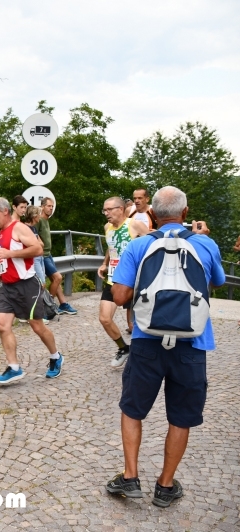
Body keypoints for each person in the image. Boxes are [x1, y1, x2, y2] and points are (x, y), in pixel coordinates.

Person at [106, 186, 223, 508]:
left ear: (153, 215)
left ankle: (130, 478)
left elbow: (119, 297)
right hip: (193, 343)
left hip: (146, 342)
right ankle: (166, 485)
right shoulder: (206, 244)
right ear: (185, 214)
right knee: (181, 416)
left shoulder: (139, 245)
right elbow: (216, 282)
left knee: (133, 410)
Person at [0, 197, 64, 384]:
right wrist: (1, 269)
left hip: (27, 285)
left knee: (37, 326)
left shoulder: (19, 227)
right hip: (8, 287)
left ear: (5, 211)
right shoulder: (1, 233)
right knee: (2, 326)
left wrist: (9, 254)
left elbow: (38, 249)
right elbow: (6, 256)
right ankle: (14, 368)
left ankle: (55, 357)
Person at [96, 196, 150, 368]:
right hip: (113, 279)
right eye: (104, 210)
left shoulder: (134, 224)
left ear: (120, 209)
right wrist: (105, 263)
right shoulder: (107, 228)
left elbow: (153, 243)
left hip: (133, 282)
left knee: (139, 323)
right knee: (104, 319)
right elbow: (111, 247)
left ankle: (146, 355)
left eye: (109, 209)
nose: (106, 213)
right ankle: (123, 348)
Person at [37, 197, 78, 315]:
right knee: (58, 278)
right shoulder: (39, 220)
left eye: (52, 206)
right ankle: (48, 306)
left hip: (48, 254)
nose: (51, 208)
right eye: (49, 206)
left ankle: (63, 304)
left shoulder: (46, 220)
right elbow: (33, 234)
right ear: (42, 206)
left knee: (55, 280)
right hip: (42, 255)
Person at [24, 205, 45, 285]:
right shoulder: (26, 228)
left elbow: (41, 244)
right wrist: (37, 244)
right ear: (34, 216)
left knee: (42, 282)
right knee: (41, 283)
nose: (40, 216)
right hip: (34, 259)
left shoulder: (34, 228)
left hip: (40, 257)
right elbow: (34, 245)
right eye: (39, 214)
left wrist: (37, 244)